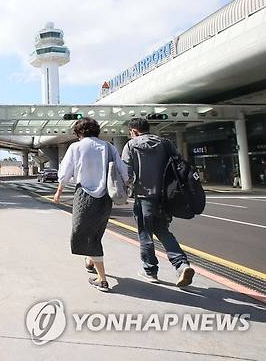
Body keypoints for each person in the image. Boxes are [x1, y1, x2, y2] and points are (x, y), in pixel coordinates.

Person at [54, 118, 128, 292]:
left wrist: (59, 191)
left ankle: (102, 280)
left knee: (82, 234)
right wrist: (128, 185)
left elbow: (65, 172)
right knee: (95, 231)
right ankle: (89, 260)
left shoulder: (76, 147)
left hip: (83, 195)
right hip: (105, 197)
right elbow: (123, 171)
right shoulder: (109, 147)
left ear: (79, 132)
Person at [122, 117, 195, 287]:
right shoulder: (166, 143)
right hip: (165, 198)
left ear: (133, 131)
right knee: (162, 231)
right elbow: (179, 166)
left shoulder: (131, 145)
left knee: (145, 234)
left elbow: (126, 174)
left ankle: (150, 271)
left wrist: (127, 189)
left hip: (144, 197)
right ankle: (182, 265)